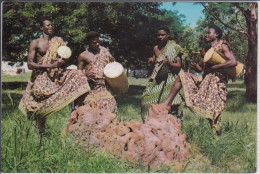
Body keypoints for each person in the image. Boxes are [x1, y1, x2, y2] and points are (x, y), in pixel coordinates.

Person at [160, 25, 237, 136]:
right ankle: (166, 103)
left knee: (213, 112)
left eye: (209, 32)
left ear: (216, 35)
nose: (206, 34)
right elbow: (201, 69)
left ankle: (217, 137)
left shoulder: (223, 46)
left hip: (217, 82)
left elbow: (233, 61)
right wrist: (196, 67)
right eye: (206, 32)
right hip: (205, 79)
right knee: (182, 75)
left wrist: (215, 67)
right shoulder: (204, 50)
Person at [19, 19, 90, 134]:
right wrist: (51, 65)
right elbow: (30, 64)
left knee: (79, 75)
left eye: (52, 25)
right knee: (39, 105)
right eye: (48, 25)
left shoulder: (58, 41)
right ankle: (40, 131)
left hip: (56, 76)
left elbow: (65, 60)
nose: (51, 27)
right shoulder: (35, 42)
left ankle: (76, 112)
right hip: (41, 77)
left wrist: (62, 62)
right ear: (41, 28)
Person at [141, 26, 184, 122]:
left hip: (171, 79)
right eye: (158, 35)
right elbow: (155, 63)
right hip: (158, 79)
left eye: (162, 35)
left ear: (168, 35)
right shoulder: (156, 48)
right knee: (146, 101)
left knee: (169, 105)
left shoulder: (175, 48)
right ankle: (150, 124)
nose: (160, 37)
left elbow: (179, 65)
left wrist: (169, 63)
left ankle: (171, 128)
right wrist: (151, 61)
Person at [76, 31, 118, 114]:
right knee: (89, 110)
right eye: (94, 43)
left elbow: (112, 67)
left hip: (104, 88)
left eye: (98, 42)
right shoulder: (83, 56)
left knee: (110, 105)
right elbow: (79, 74)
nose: (98, 44)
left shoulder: (105, 52)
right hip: (90, 89)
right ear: (88, 43)